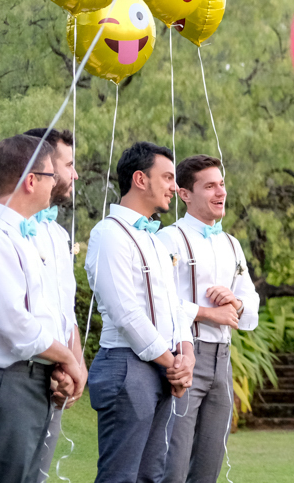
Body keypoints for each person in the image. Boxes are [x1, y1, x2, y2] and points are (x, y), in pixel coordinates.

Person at [87, 142, 195, 483]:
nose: (174, 187)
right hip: (126, 365)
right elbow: (125, 313)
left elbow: (175, 306)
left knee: (151, 475)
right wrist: (172, 362)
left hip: (162, 364)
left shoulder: (154, 239)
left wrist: (187, 353)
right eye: (167, 177)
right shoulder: (109, 235)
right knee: (121, 476)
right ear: (140, 179)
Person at [0, 134, 86, 483]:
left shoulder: (24, 235)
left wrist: (65, 362)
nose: (58, 181)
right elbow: (14, 322)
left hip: (35, 380)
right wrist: (68, 358)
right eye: (51, 175)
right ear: (31, 181)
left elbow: (53, 313)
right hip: (7, 382)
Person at [157, 155, 259, 483]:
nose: (221, 192)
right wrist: (207, 312)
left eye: (222, 184)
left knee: (209, 465)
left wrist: (236, 302)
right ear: (185, 194)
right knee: (172, 464)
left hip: (222, 360)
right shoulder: (169, 239)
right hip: (184, 357)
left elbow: (251, 303)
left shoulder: (231, 244)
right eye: (210, 186)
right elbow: (159, 302)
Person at [20, 128, 82, 481]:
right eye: (68, 164)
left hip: (56, 377)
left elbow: (65, 310)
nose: (75, 174)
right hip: (18, 372)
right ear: (42, 166)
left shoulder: (59, 235)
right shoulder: (9, 230)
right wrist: (66, 360)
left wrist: (76, 365)